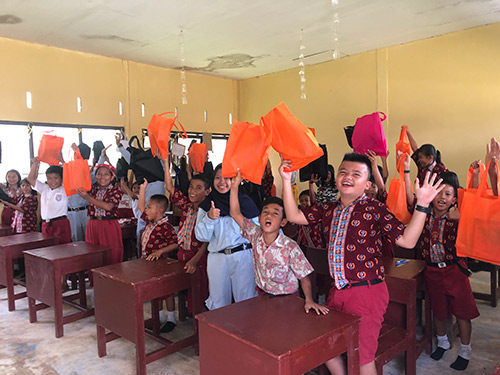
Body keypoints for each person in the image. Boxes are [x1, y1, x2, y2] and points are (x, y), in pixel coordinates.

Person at [280, 152, 444, 375]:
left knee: (363, 357)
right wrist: (287, 180)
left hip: (367, 292)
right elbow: (294, 216)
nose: (347, 176)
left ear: (367, 184)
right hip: (337, 291)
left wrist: (423, 204)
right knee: (328, 347)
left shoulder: (374, 208)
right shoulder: (329, 208)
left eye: (356, 174)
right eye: (343, 172)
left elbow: (407, 240)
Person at [403, 158, 479, 371]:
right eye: (439, 192)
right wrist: (407, 171)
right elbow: (410, 198)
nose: (442, 198)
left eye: (448, 194)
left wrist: (477, 174)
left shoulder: (457, 217)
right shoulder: (423, 216)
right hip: (432, 270)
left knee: (463, 312)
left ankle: (465, 350)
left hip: (455, 270)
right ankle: (443, 341)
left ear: (455, 198)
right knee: (438, 310)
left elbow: (473, 201)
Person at [230, 169, 328, 314]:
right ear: (259, 218)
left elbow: (304, 277)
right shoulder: (255, 235)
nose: (268, 215)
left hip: (288, 299)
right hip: (262, 295)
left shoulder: (290, 247)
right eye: (265, 212)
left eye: (275, 213)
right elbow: (235, 213)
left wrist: (309, 299)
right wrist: (234, 187)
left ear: (283, 222)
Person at [195, 164, 260, 310]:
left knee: (246, 300)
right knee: (218, 302)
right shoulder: (207, 205)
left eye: (227, 178)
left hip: (243, 256)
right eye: (218, 178)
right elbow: (201, 236)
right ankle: (220, 332)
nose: (222, 182)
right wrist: (210, 218)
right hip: (217, 258)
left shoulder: (245, 202)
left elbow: (258, 232)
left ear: (234, 181)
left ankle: (245, 332)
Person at [164, 154, 210, 314]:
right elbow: (170, 188)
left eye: (198, 188)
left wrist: (194, 260)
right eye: (191, 187)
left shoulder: (209, 212)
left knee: (199, 294)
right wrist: (165, 161)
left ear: (207, 191)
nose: (192, 191)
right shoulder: (188, 206)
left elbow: (207, 241)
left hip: (198, 258)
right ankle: (191, 318)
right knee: (185, 291)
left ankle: (201, 328)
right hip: (182, 255)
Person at [138, 180, 179, 332]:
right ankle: (160, 316)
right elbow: (140, 206)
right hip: (149, 264)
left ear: (160, 210)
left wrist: (159, 252)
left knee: (166, 292)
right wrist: (143, 189)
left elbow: (175, 243)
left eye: (150, 207)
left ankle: (171, 319)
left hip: (161, 265)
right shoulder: (151, 221)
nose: (146, 210)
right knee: (155, 291)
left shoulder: (165, 226)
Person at [77, 164, 123, 264]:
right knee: (92, 254)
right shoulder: (92, 188)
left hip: (108, 224)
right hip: (92, 224)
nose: (102, 177)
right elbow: (77, 180)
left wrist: (88, 198)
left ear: (112, 177)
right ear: (95, 176)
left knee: (111, 254)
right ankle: (94, 279)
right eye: (99, 174)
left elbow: (108, 207)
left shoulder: (116, 190)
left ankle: (110, 278)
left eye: (106, 174)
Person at [28, 158, 71, 244]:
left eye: (56, 178)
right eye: (49, 178)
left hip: (60, 223)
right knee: (47, 249)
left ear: (62, 179)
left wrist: (63, 161)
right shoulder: (44, 188)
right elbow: (31, 179)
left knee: (62, 248)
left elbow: (71, 178)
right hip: (45, 224)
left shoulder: (65, 189)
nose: (52, 181)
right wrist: (35, 165)